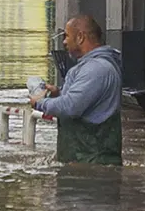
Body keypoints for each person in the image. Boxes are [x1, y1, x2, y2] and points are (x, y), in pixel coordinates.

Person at [28, 14, 123, 165]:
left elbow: (71, 107)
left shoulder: (96, 69)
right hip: (84, 164)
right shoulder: (90, 67)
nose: (64, 42)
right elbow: (83, 101)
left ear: (80, 37)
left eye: (66, 36)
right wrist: (58, 93)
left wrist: (40, 103)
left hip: (93, 168)